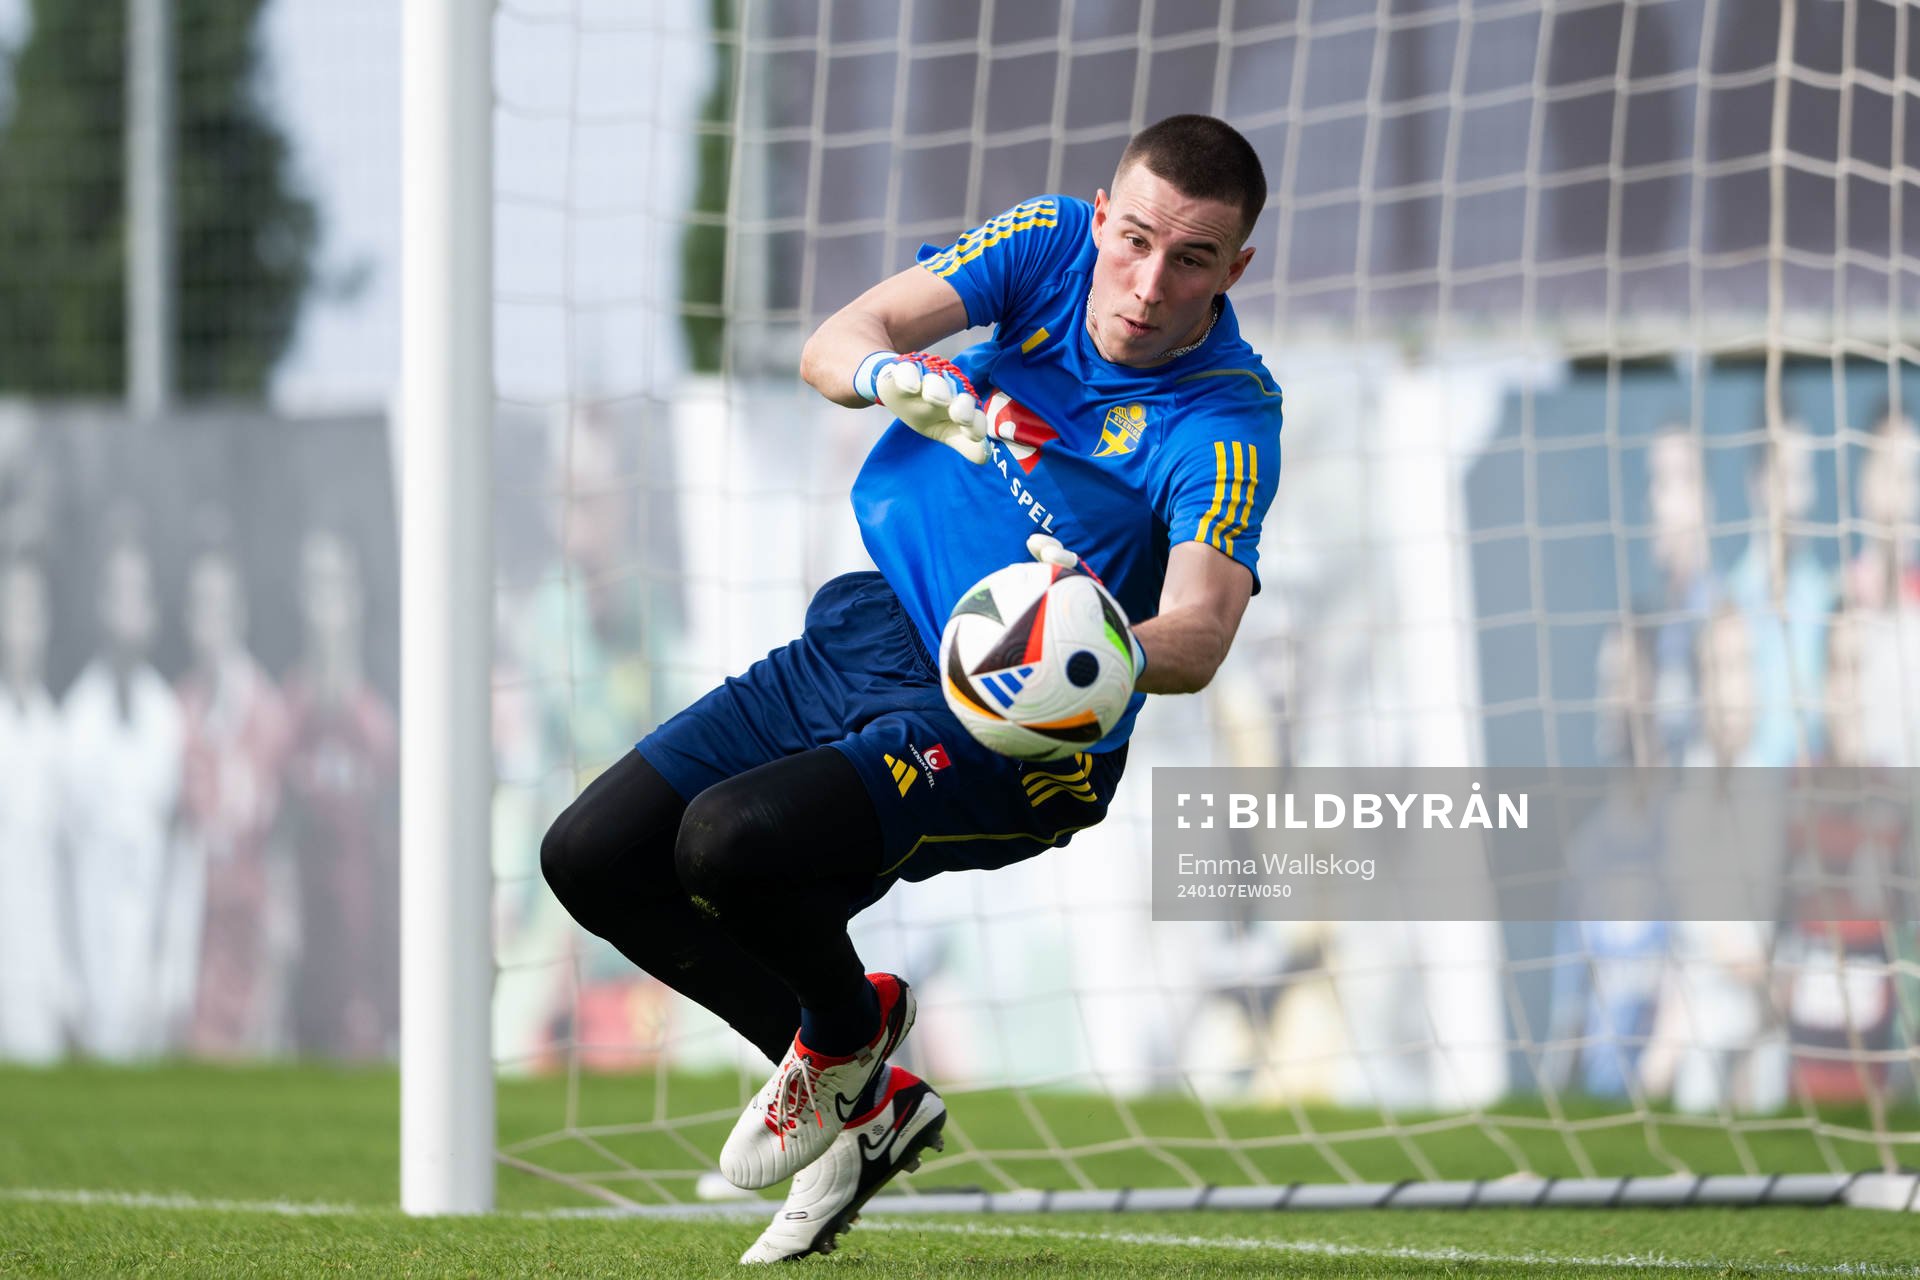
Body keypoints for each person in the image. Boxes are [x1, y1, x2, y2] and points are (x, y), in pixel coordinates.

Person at [540, 114, 1282, 1263]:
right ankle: (866, 1096)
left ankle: (851, 1029)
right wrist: (893, 377)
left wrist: (1089, 635)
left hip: (1015, 723)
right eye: (1132, 239)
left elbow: (1200, 629)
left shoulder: (1228, 412)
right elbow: (840, 338)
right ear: (1101, 217)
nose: (1145, 283)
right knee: (589, 856)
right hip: (866, 629)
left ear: (1234, 269)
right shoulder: (1043, 244)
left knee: (729, 845)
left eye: (1190, 259)